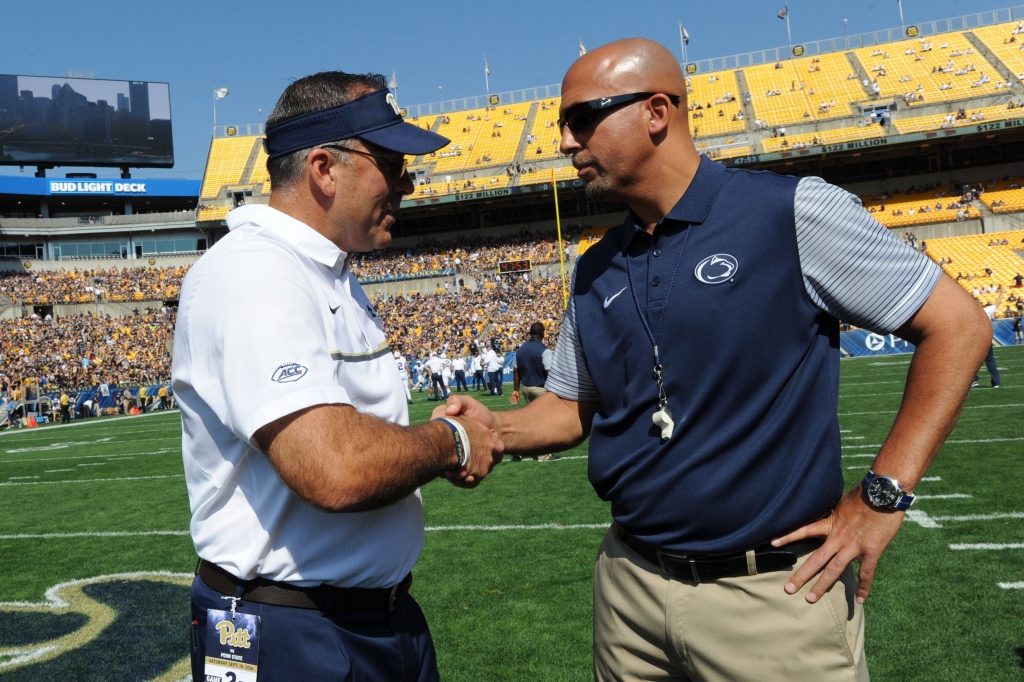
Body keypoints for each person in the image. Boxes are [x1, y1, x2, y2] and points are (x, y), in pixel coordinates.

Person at [438, 39, 991, 681]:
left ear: (655, 112)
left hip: (770, 597)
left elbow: (958, 325)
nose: (565, 141)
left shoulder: (788, 212)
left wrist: (883, 495)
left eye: (583, 118)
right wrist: (493, 430)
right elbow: (571, 406)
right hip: (628, 587)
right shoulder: (594, 267)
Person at [174, 71, 503, 682]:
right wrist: (450, 442)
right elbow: (334, 468)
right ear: (325, 169)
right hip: (290, 630)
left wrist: (419, 438)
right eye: (393, 163)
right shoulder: (253, 275)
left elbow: (351, 431)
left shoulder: (324, 271)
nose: (409, 182)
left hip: (362, 617)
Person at [509, 322, 557, 462]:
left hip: (526, 388)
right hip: (540, 388)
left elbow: (516, 372)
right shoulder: (544, 350)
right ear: (542, 334)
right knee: (544, 422)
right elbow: (549, 372)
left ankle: (518, 450)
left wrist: (515, 390)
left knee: (530, 421)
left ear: (530, 334)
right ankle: (543, 455)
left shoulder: (520, 350)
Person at [973, 288, 1004, 388]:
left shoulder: (970, 313)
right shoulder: (986, 310)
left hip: (977, 340)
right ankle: (996, 382)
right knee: (990, 360)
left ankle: (974, 380)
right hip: (986, 338)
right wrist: (1002, 293)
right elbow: (997, 303)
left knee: (973, 360)